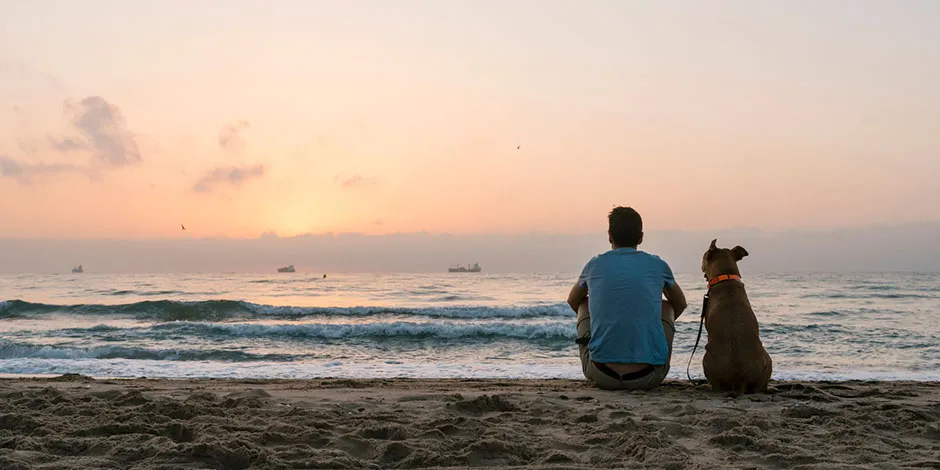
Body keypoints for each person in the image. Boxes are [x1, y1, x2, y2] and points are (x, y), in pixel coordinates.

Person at [567, 206, 687, 390]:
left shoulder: (594, 265)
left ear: (610, 236)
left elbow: (572, 301)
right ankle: (650, 351)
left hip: (601, 375)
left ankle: (601, 349)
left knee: (584, 302)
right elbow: (680, 303)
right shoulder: (657, 265)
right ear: (641, 237)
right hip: (649, 376)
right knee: (667, 306)